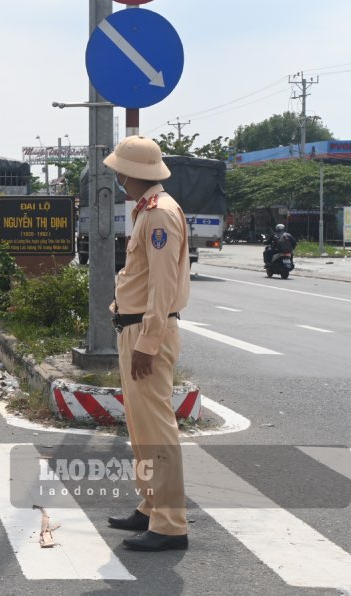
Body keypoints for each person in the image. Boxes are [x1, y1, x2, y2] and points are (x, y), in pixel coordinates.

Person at [103, 136, 191, 552]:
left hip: (146, 332)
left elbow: (163, 284)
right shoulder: (147, 212)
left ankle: (170, 525)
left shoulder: (159, 216)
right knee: (141, 428)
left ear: (135, 173)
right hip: (134, 328)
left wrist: (149, 341)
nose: (118, 177)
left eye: (121, 170)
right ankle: (150, 504)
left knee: (157, 429)